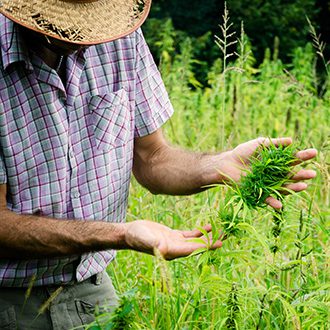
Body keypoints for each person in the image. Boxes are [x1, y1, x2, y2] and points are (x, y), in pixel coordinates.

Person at [0, 0, 317, 328]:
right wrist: (120, 235)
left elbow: (152, 157)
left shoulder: (118, 38)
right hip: (8, 299)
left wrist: (219, 165)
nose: (86, 36)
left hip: (92, 287)